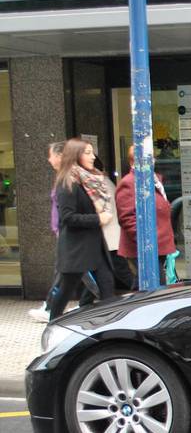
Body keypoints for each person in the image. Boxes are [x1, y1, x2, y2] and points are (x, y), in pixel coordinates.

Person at [47, 138, 116, 320]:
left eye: (92, 152)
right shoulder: (67, 182)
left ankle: (111, 331)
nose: (93, 157)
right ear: (75, 156)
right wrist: (98, 218)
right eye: (87, 153)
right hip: (76, 249)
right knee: (65, 291)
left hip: (95, 246)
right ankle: (52, 325)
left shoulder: (90, 181)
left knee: (107, 287)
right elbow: (68, 218)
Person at [115, 144, 177, 287]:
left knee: (148, 287)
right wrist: (146, 242)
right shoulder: (130, 183)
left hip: (157, 244)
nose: (152, 161)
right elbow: (127, 218)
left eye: (152, 157)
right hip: (145, 247)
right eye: (146, 158)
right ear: (133, 162)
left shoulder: (153, 180)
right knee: (152, 288)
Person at [28, 141, 66, 322]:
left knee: (64, 271)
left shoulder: (67, 178)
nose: (48, 159)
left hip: (67, 234)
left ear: (59, 156)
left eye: (50, 155)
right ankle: (87, 301)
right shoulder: (62, 177)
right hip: (64, 233)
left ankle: (50, 307)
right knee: (72, 272)